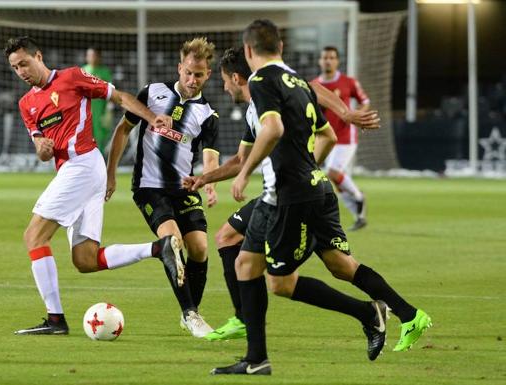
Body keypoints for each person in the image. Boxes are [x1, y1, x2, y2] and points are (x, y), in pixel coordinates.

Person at [211, 20, 432, 375]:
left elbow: (274, 128)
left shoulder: (261, 81)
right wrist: (344, 113)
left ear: (249, 51)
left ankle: (366, 313)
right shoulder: (296, 80)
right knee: (269, 264)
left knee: (279, 282)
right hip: (312, 188)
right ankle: (406, 314)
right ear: (281, 46)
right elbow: (319, 98)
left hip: (288, 196)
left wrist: (244, 171)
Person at [183, 47, 380, 342]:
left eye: (224, 80)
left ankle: (373, 313)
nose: (223, 88)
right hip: (285, 191)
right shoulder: (255, 106)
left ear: (236, 77)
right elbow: (239, 159)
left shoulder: (267, 88)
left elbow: (311, 88)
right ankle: (248, 329)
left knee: (285, 280)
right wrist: (204, 178)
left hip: (289, 195)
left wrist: (345, 113)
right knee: (231, 241)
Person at [5, 36, 183, 335]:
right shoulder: (26, 104)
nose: (21, 71)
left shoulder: (72, 77)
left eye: (24, 63)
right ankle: (159, 248)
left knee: (34, 237)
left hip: (83, 166)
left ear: (38, 55)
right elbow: (38, 145)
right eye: (14, 67)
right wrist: (43, 149)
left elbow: (120, 97)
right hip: (77, 171)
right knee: (85, 260)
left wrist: (152, 118)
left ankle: (55, 320)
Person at [106, 37, 220, 338]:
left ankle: (190, 311)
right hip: (148, 187)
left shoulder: (208, 115)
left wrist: (208, 182)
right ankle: (191, 314)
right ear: (179, 67)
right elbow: (123, 130)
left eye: (199, 74)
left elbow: (209, 157)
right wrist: (111, 174)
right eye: (188, 72)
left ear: (208, 74)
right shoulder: (152, 92)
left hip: (184, 189)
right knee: (172, 241)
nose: (192, 80)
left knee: (200, 248)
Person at [312, 46, 371, 231]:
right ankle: (358, 214)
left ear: (337, 61)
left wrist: (357, 116)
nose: (328, 60)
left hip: (345, 136)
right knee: (335, 179)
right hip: (324, 137)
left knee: (332, 172)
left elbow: (365, 102)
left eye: (331, 57)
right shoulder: (314, 86)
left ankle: (359, 197)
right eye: (325, 57)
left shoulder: (348, 82)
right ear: (320, 61)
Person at [82, 47, 114, 155]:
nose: (92, 58)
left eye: (94, 55)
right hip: (85, 109)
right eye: (89, 55)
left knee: (99, 135)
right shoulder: (82, 70)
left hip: (100, 109)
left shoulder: (104, 72)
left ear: (98, 57)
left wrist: (109, 109)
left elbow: (111, 90)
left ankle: (100, 158)